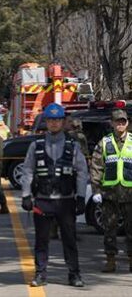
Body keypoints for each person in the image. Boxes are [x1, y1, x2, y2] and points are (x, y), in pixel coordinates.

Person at [21, 103, 88, 287]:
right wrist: (26, 195)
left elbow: (82, 172)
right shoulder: (36, 145)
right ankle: (40, 273)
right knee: (41, 240)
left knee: (69, 240)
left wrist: (81, 197)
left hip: (66, 201)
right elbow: (27, 171)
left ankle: (74, 274)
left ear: (63, 122)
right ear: (46, 122)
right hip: (43, 201)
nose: (54, 123)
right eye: (50, 120)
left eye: (57, 120)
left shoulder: (72, 146)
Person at [90, 108, 132, 273]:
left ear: (127, 123)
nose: (120, 124)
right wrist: (96, 190)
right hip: (109, 194)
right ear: (112, 123)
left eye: (123, 121)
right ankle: (110, 261)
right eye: (117, 122)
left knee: (131, 229)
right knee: (109, 229)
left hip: (130, 195)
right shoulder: (105, 142)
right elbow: (96, 167)